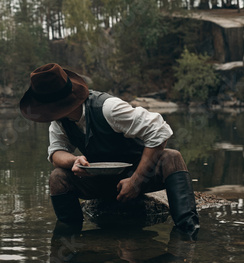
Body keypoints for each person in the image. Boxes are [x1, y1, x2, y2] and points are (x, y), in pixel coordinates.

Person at [19, 63, 199, 239]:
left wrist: (136, 181)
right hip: (99, 181)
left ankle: (188, 233)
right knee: (57, 177)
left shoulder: (109, 108)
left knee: (172, 157)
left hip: (140, 174)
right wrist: (73, 160)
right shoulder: (60, 121)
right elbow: (56, 152)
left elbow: (160, 131)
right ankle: (70, 239)